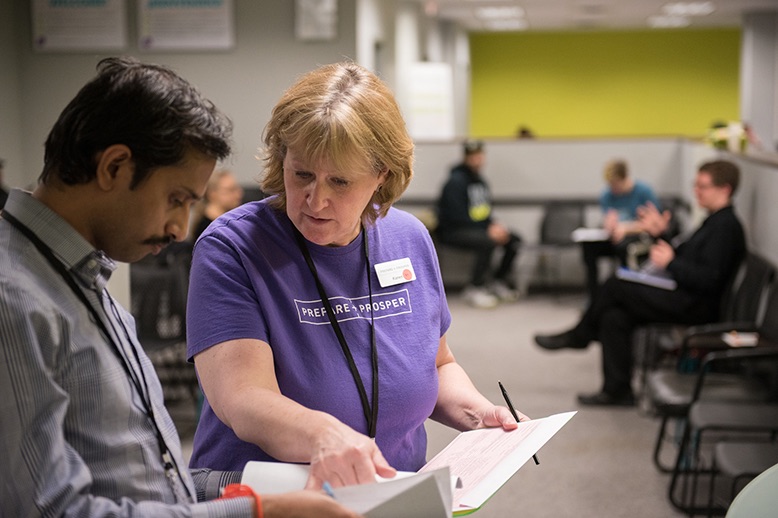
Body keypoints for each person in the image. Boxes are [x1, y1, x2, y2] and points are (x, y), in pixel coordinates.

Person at [0, 56, 357, 518]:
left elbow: (140, 480)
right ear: (113, 167)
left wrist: (261, 495)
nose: (178, 228)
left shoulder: (79, 278)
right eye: (177, 200)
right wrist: (258, 514)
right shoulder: (14, 301)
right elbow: (53, 512)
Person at [186, 62, 524, 489]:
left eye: (340, 182)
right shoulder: (234, 247)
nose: (316, 199)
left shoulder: (408, 238)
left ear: (381, 176)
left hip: (394, 493)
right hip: (275, 500)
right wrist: (324, 437)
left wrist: (481, 414)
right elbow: (243, 399)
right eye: (302, 174)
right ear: (281, 159)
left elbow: (437, 365)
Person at [534, 160, 746, 407]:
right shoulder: (714, 221)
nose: (696, 191)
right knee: (614, 316)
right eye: (695, 185)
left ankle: (580, 335)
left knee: (616, 285)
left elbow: (708, 280)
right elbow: (688, 258)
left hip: (695, 306)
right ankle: (618, 390)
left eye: (703, 186)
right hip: (683, 294)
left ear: (725, 189)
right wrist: (661, 235)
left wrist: (671, 263)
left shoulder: (726, 227)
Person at [435, 140, 522, 308]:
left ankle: (498, 281)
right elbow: (455, 216)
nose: (477, 160)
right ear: (466, 157)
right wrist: (487, 230)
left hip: (478, 228)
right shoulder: (455, 182)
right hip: (452, 231)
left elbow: (483, 212)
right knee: (487, 242)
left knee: (514, 240)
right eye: (473, 156)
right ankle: (475, 287)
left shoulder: (481, 182)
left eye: (479, 156)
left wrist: (495, 225)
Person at [580, 159, 661, 299]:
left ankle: (628, 294)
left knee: (624, 248)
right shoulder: (607, 195)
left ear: (624, 178)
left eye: (615, 184)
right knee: (589, 248)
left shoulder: (643, 191)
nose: (613, 188)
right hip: (615, 236)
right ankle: (593, 297)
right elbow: (608, 218)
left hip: (637, 237)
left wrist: (626, 228)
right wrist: (609, 224)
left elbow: (654, 224)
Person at [191, 168, 245, 241]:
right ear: (212, 194)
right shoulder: (207, 229)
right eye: (231, 190)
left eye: (237, 189)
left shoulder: (231, 223)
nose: (238, 195)